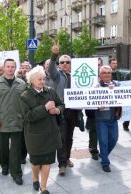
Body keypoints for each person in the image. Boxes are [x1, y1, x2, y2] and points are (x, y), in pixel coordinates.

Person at [20, 66, 64, 194]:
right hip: (34, 135)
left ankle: (43, 187)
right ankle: (35, 178)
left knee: (48, 161)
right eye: (39, 79)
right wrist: (45, 108)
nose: (43, 82)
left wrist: (57, 110)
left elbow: (61, 104)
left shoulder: (50, 91)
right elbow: (28, 117)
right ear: (32, 80)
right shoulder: (24, 96)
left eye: (44, 79)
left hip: (50, 133)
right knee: (35, 162)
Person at [0, 58, 26, 185]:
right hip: (2, 121)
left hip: (17, 121)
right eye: (8, 66)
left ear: (15, 68)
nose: (10, 69)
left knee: (16, 149)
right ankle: (4, 165)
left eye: (12, 66)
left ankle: (17, 173)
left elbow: (26, 102)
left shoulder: (21, 83)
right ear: (4, 68)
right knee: (3, 148)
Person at [49, 42, 80, 175]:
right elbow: (50, 68)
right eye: (62, 62)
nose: (65, 64)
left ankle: (67, 158)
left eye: (67, 62)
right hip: (61, 111)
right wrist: (54, 55)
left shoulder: (76, 76)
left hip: (74, 111)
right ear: (59, 64)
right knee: (61, 137)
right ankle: (61, 163)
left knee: (70, 137)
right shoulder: (56, 75)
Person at [95, 65, 121, 172]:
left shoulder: (117, 84)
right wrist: (97, 104)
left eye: (109, 73)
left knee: (114, 139)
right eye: (104, 73)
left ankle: (103, 154)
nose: (107, 75)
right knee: (103, 141)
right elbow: (89, 101)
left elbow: (128, 92)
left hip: (113, 117)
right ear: (100, 75)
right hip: (101, 118)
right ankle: (105, 162)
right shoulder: (96, 86)